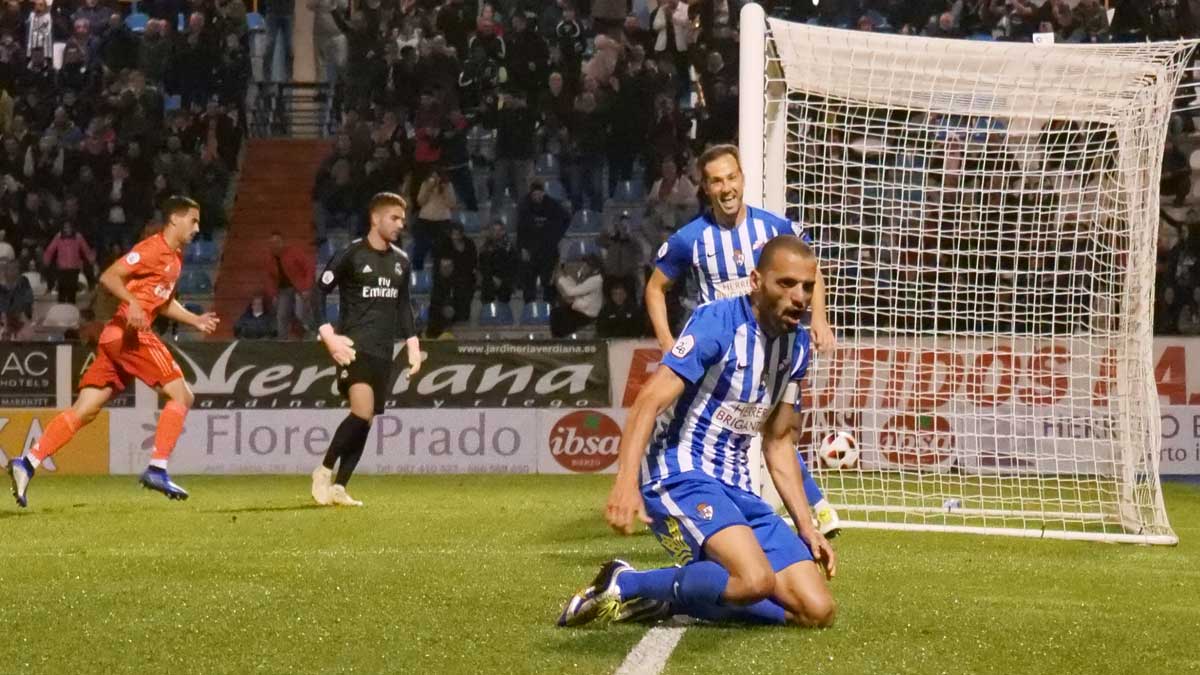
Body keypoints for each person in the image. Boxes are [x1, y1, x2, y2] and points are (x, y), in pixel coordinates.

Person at [558, 235, 837, 628]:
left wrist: (808, 528)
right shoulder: (717, 323)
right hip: (682, 472)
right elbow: (648, 402)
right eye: (786, 283)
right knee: (753, 580)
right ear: (756, 281)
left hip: (738, 487)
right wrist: (625, 483)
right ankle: (627, 582)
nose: (799, 296)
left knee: (816, 611)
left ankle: (672, 597)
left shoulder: (798, 347)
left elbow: (777, 442)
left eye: (807, 286)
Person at [644, 144, 840, 536]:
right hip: (718, 354)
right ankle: (693, 498)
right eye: (716, 180)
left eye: (732, 177)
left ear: (743, 178)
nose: (726, 187)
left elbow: (811, 270)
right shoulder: (690, 239)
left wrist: (819, 317)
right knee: (712, 427)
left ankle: (811, 506)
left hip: (773, 345)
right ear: (705, 188)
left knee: (773, 424)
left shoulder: (774, 228)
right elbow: (654, 288)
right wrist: (667, 340)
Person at [7, 197, 219, 508]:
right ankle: (157, 467)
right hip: (130, 336)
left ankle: (27, 462)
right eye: (193, 220)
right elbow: (109, 276)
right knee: (182, 396)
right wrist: (132, 303)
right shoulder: (152, 248)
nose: (197, 228)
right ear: (174, 219)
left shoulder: (175, 258)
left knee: (85, 410)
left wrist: (195, 320)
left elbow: (162, 302)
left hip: (113, 340)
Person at [311, 192, 422, 507]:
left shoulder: (401, 260)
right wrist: (328, 336)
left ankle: (339, 487)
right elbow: (317, 295)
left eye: (402, 219)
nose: (401, 224)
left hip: (383, 351)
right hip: (353, 347)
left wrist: (413, 343)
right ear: (376, 219)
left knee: (367, 420)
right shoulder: (351, 254)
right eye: (394, 218)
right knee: (361, 411)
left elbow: (402, 305)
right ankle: (323, 470)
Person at [265, 231, 315, 339]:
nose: (275, 245)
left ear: (282, 242)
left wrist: (307, 287)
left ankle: (308, 334)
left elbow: (309, 268)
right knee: (281, 315)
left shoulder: (294, 252)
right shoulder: (270, 259)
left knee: (300, 313)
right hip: (283, 290)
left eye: (277, 242)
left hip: (300, 288)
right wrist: (272, 295)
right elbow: (270, 278)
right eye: (272, 243)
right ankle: (282, 339)